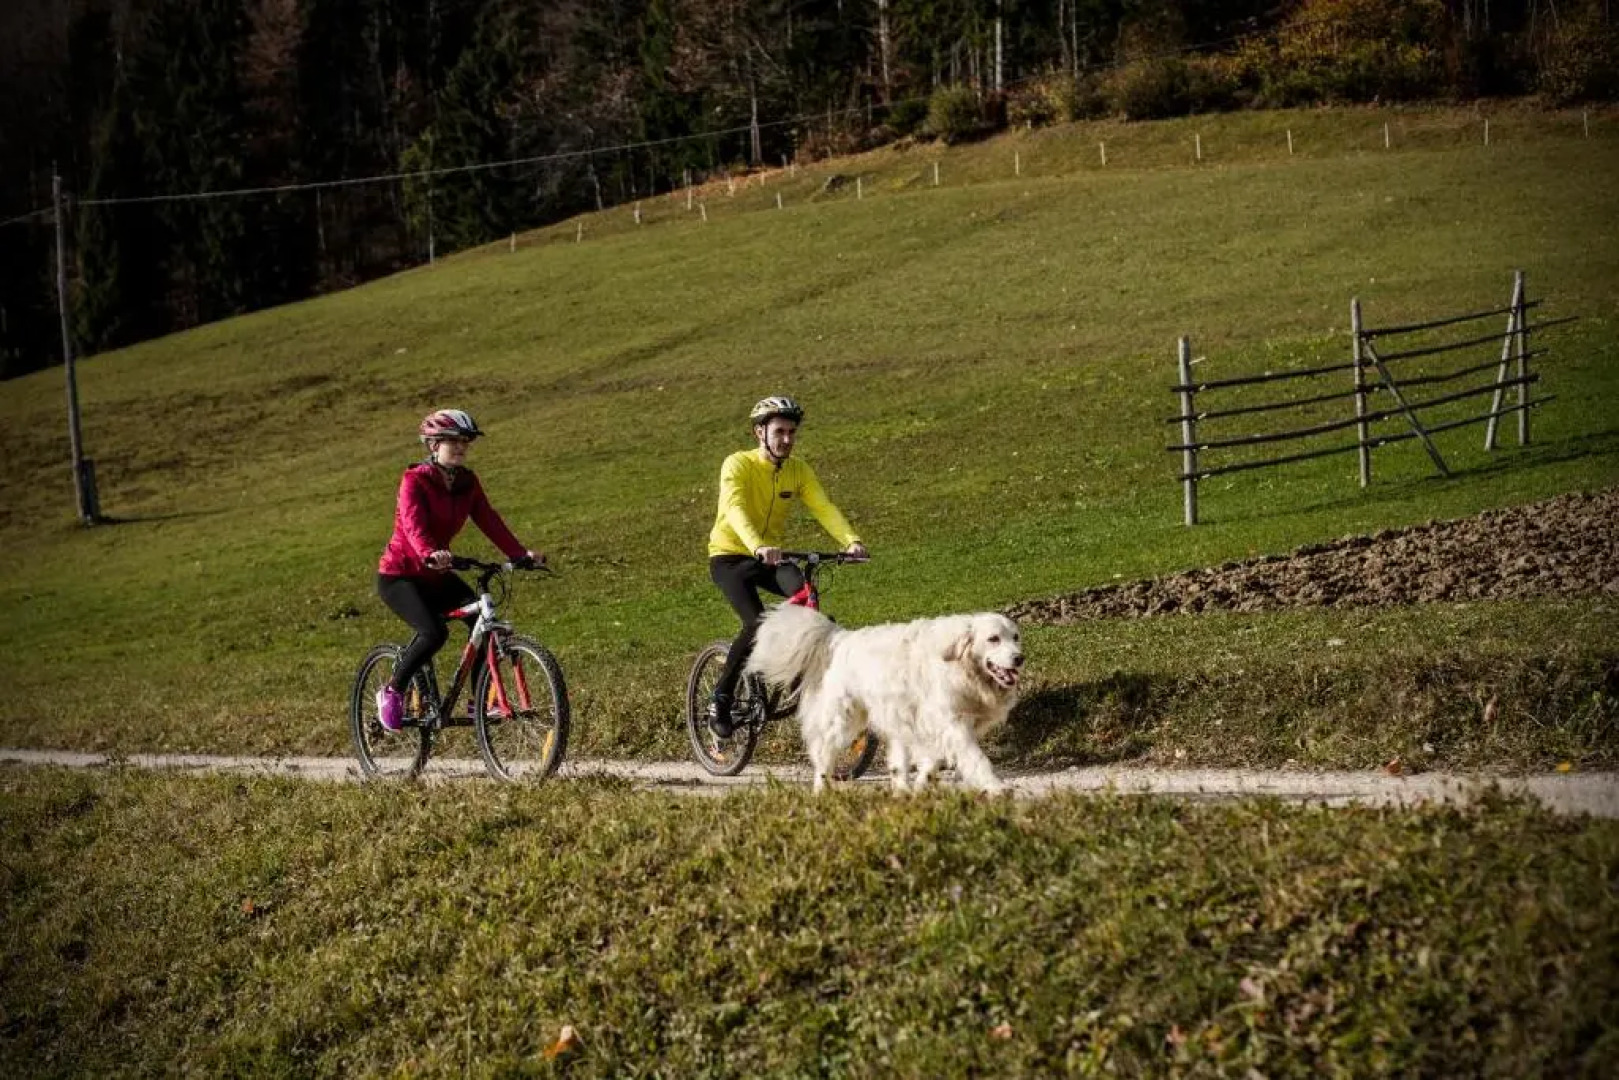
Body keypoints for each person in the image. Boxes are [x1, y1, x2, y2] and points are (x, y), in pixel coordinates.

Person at [705, 395, 868, 737]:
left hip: (771, 557)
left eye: (792, 432)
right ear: (759, 433)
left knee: (808, 599)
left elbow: (823, 506)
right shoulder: (737, 465)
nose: (787, 440)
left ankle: (794, 668)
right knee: (756, 621)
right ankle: (721, 696)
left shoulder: (797, 470)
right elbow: (734, 509)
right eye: (780, 431)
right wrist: (758, 545)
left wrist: (850, 542)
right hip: (731, 557)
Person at [374, 409, 543, 731]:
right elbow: (413, 524)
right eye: (453, 441)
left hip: (437, 573)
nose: (461, 447)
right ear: (433, 445)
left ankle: (477, 700)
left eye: (464, 441)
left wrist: (519, 554)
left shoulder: (467, 482)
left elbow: (488, 518)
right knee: (434, 633)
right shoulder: (415, 480)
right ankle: (392, 690)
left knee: (480, 622)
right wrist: (429, 553)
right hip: (400, 575)